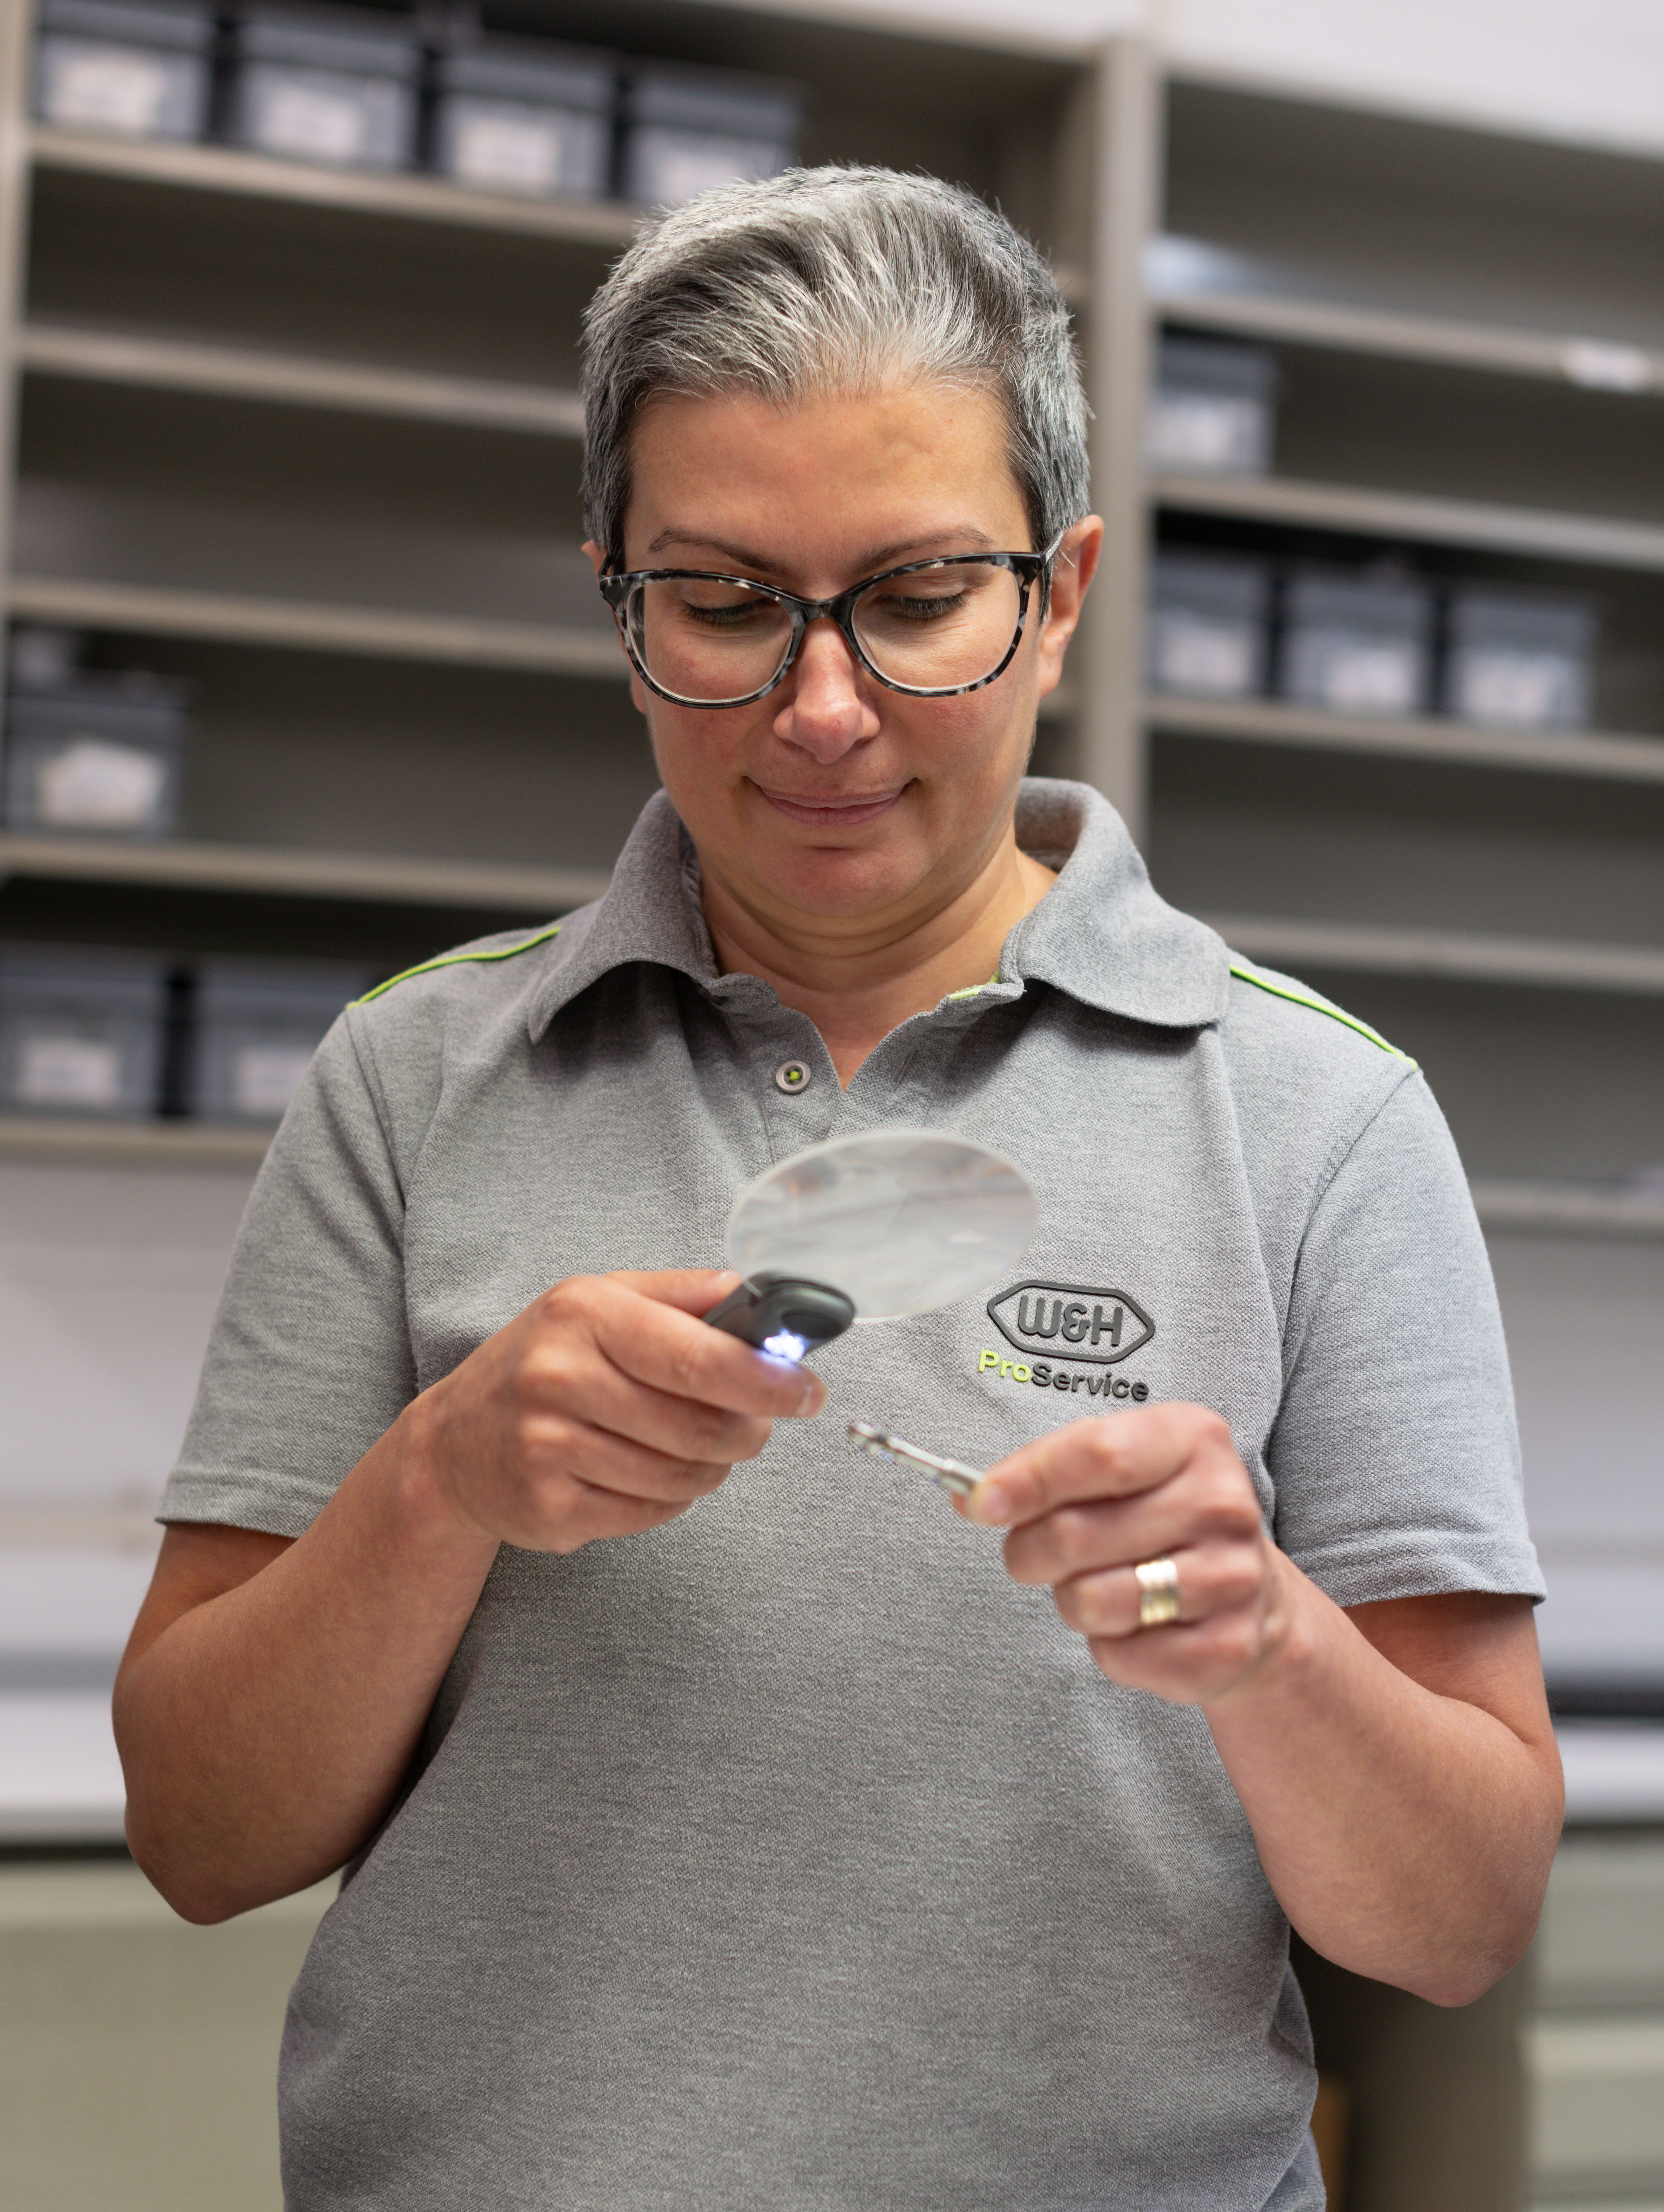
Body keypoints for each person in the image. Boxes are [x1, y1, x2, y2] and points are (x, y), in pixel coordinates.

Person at [114, 167, 1561, 2211]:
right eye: (725, 605)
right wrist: (437, 1481)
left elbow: (1466, 1917)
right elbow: (198, 1836)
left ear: (1059, 593)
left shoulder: (1318, 1119)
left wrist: (1274, 1649)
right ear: (621, 604)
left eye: (914, 600)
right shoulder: (411, 1084)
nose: (820, 712)